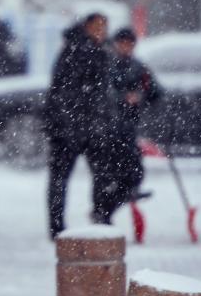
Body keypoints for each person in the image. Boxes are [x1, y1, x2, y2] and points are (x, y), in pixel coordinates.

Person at [41, 12, 120, 239]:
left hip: (93, 127)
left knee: (102, 175)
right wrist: (67, 123)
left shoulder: (104, 51)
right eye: (96, 26)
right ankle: (57, 226)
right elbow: (63, 92)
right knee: (61, 178)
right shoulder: (74, 51)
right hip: (70, 128)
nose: (100, 31)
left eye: (104, 27)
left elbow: (105, 91)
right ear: (86, 27)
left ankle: (101, 218)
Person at [105, 27, 163, 218]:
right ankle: (104, 210)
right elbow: (103, 94)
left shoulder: (139, 67)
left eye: (130, 44)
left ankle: (114, 203)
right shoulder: (108, 65)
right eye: (122, 43)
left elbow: (155, 91)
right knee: (111, 173)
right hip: (109, 128)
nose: (126, 47)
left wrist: (144, 96)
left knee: (133, 171)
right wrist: (124, 98)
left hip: (129, 127)